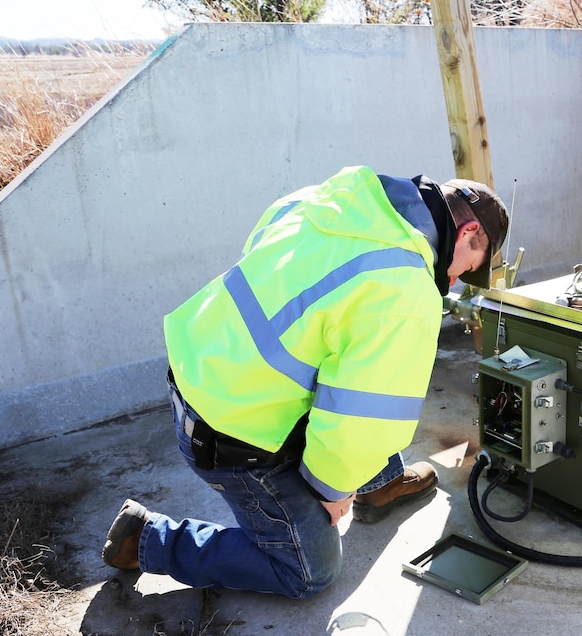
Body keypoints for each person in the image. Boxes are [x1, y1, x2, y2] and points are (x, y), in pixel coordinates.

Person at [101, 165, 508, 597]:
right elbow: (361, 413)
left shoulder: (332, 199)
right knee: (310, 570)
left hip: (202, 373)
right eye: (468, 267)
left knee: (359, 366)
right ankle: (146, 539)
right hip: (229, 434)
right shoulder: (405, 287)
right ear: (464, 234)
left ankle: (379, 482)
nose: (455, 278)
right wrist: (331, 491)